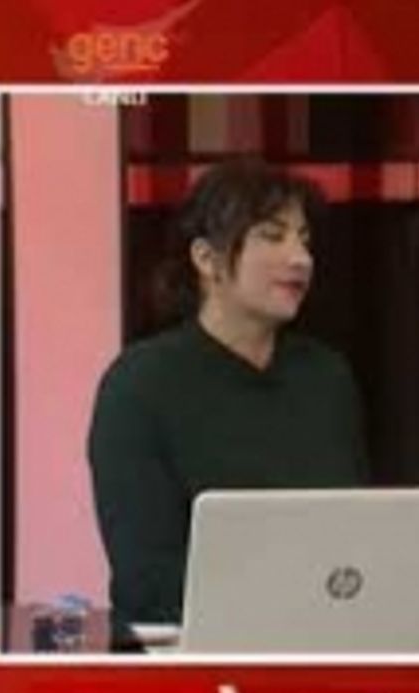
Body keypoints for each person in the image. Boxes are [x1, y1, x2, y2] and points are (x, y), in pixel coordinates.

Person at [88, 159, 368, 644]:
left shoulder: (326, 376)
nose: (300, 258)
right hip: (185, 651)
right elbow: (147, 578)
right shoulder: (138, 385)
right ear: (206, 258)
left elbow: (355, 535)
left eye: (304, 240)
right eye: (272, 236)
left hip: (322, 640)